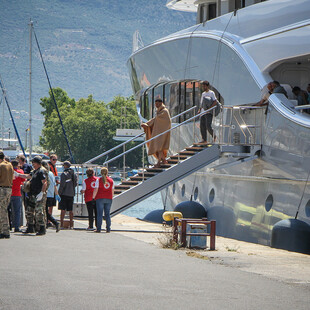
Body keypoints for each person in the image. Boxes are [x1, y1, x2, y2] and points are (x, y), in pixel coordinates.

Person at [141, 98, 171, 167]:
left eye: (158, 103)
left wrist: (147, 124)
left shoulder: (164, 111)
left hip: (162, 133)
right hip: (159, 133)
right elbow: (155, 120)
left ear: (161, 103)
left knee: (159, 147)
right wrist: (147, 124)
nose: (156, 105)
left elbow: (159, 120)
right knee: (159, 147)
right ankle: (163, 160)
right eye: (155, 104)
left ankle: (159, 162)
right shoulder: (160, 111)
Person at [23, 156, 47, 236]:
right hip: (32, 194)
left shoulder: (41, 171)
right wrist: (18, 175)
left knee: (39, 212)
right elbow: (28, 176)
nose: (33, 164)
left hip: (38, 194)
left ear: (38, 163)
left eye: (34, 162)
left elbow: (44, 182)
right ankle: (30, 227)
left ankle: (42, 228)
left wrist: (42, 193)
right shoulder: (34, 171)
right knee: (29, 211)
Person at [92, 167, 113, 233]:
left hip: (100, 198)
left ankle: (99, 228)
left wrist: (93, 197)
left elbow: (96, 189)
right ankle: (108, 228)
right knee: (107, 213)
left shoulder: (98, 180)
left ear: (101, 173)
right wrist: (111, 197)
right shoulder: (111, 181)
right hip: (109, 198)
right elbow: (112, 190)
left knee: (99, 214)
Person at [41, 161, 60, 232]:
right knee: (45, 210)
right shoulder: (51, 173)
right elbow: (55, 185)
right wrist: (57, 194)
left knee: (44, 210)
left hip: (46, 194)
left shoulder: (44, 174)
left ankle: (55, 222)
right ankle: (47, 223)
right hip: (51, 194)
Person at [58, 161, 77, 229]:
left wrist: (59, 193)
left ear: (65, 166)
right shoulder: (74, 174)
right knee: (70, 210)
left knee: (63, 209)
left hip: (64, 194)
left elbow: (62, 185)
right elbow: (75, 184)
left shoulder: (63, 174)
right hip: (71, 193)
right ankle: (71, 225)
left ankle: (62, 224)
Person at [0, 151, 14, 239]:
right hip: (9, 188)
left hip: (2, 189)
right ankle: (5, 230)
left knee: (2, 211)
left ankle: (4, 231)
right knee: (4, 209)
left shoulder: (1, 166)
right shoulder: (10, 165)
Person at [10, 160, 24, 232]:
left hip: (9, 193)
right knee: (17, 211)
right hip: (17, 193)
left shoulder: (9, 171)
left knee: (7, 210)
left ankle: (8, 225)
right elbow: (23, 179)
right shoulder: (20, 172)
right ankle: (16, 227)